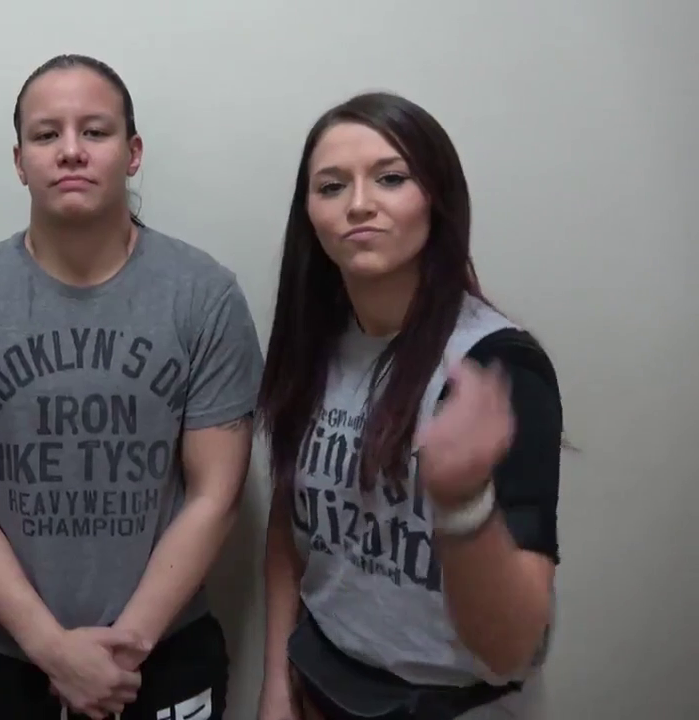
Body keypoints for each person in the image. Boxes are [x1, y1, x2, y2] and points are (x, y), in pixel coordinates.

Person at [0, 54, 263, 719]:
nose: (71, 150)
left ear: (133, 152)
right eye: (46, 135)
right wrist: (52, 649)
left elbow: (215, 494)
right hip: (3, 655)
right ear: (19, 161)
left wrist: (123, 650)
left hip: (162, 652)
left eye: (95, 131)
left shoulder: (205, 296)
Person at [255, 91, 563, 720]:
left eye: (391, 178)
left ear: (437, 199)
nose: (359, 204)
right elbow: (289, 525)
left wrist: (462, 502)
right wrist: (275, 686)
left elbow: (512, 649)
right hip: (320, 685)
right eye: (332, 186)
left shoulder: (494, 366)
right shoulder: (314, 347)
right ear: (309, 214)